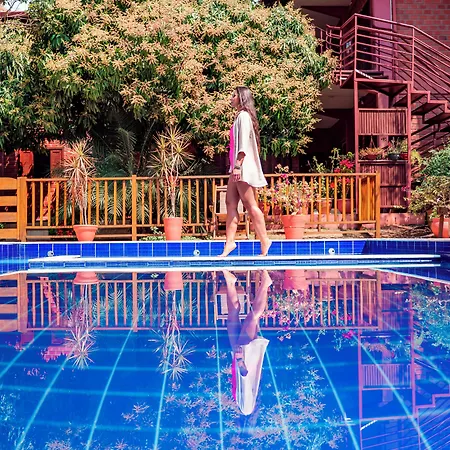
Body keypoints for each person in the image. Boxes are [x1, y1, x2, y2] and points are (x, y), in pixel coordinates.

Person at [219, 86, 271, 257]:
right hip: (236, 167)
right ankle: (230, 243)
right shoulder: (240, 117)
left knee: (250, 205)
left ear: (242, 98)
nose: (231, 98)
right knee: (230, 203)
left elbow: (243, 145)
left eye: (233, 95)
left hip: (242, 168)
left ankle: (265, 240)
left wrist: (238, 166)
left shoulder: (243, 117)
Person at [222, 269, 272, 416]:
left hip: (238, 357)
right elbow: (244, 379)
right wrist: (240, 360)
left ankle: (230, 282)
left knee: (232, 318)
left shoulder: (243, 406)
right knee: (252, 318)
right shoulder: (246, 410)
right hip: (244, 356)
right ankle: (265, 284)